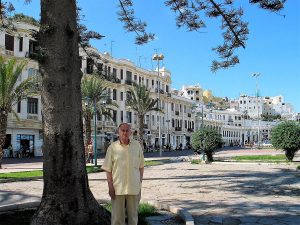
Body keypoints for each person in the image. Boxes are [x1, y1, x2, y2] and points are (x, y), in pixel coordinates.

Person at [102, 123, 144, 225]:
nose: (125, 132)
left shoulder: (137, 146)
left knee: (133, 218)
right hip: (117, 188)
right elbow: (108, 169)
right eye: (123, 130)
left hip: (133, 187)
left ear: (130, 132)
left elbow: (141, 167)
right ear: (118, 132)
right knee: (117, 219)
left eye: (127, 130)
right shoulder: (112, 148)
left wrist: (139, 185)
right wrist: (110, 187)